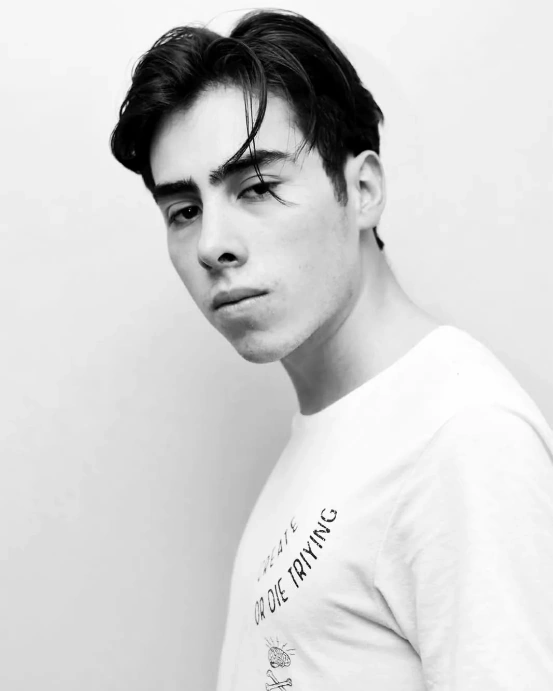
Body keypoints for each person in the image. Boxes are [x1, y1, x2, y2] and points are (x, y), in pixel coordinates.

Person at [110, 9, 553, 690]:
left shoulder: (462, 439)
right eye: (184, 211)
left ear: (363, 190)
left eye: (257, 188)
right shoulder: (337, 432)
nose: (211, 245)